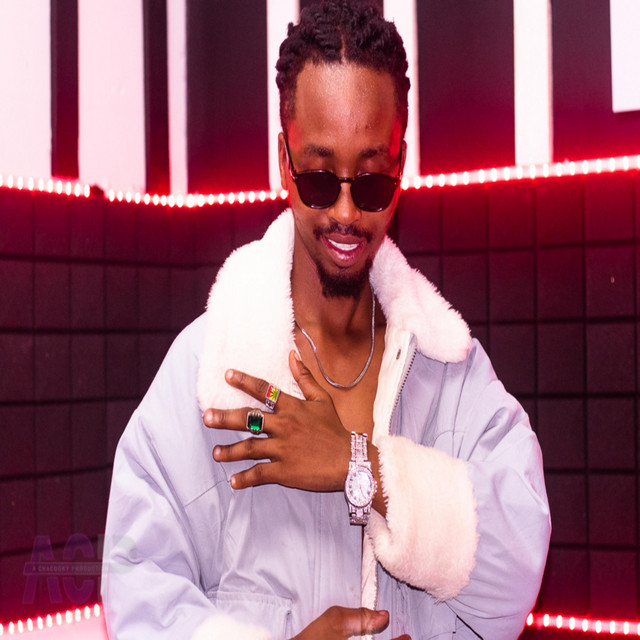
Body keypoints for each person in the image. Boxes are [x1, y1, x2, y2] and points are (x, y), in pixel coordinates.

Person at [101, 1, 551, 638]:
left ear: (400, 164)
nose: (345, 212)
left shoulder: (449, 373)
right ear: (283, 162)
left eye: (370, 181)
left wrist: (357, 464)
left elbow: (517, 569)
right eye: (318, 178)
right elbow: (136, 587)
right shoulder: (214, 373)